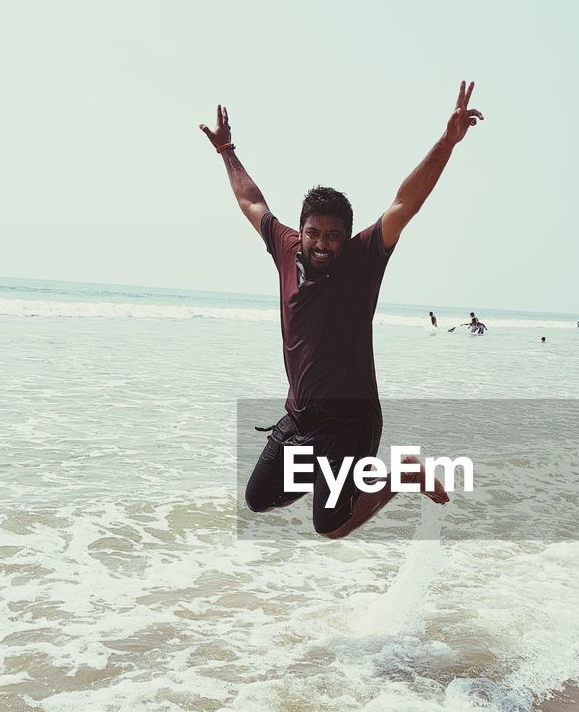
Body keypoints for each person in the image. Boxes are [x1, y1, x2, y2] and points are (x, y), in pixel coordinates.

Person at [200, 82, 484, 538]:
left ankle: (399, 476)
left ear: (346, 236)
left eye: (333, 235)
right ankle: (342, 479)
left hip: (350, 420)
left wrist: (447, 142)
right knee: (259, 499)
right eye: (314, 233)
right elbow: (251, 201)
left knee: (330, 526)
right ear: (303, 229)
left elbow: (405, 201)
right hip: (299, 418)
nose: (322, 243)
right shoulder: (285, 247)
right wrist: (228, 151)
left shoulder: (362, 259)